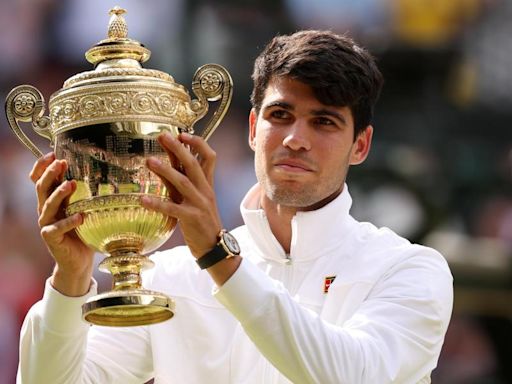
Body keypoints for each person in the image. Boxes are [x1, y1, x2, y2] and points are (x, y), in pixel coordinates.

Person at [17, 30, 453, 384]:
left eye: (323, 121)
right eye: (280, 115)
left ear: (361, 145)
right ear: (251, 128)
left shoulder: (409, 270)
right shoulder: (171, 278)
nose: (294, 139)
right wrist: (69, 281)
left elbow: (353, 376)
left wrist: (217, 257)